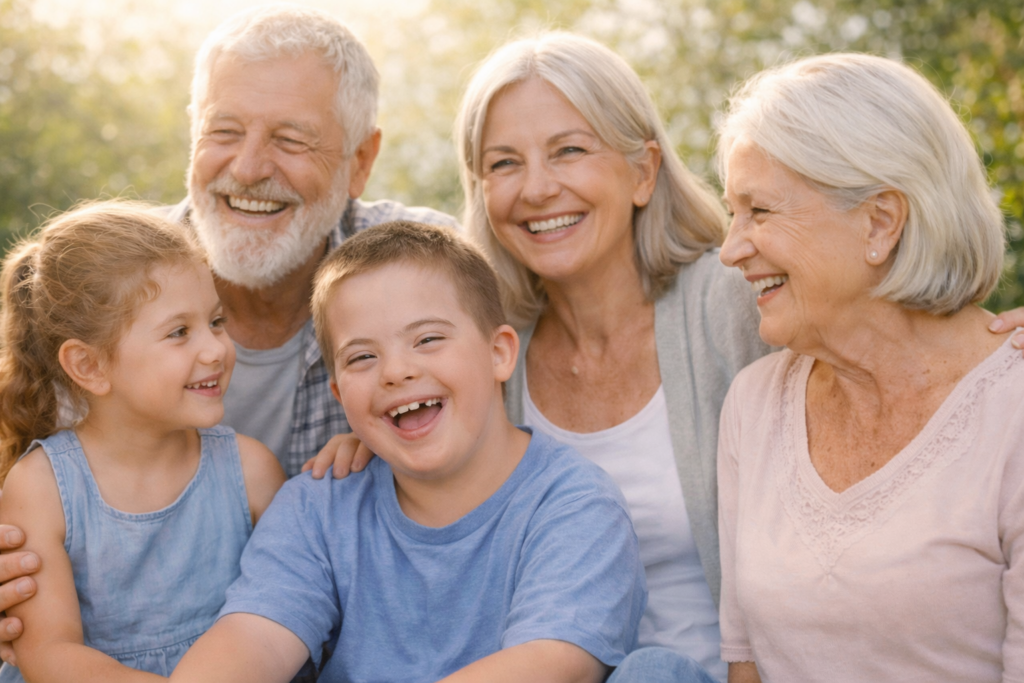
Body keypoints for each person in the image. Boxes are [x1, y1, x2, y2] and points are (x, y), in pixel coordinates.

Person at [0, 3, 456, 648]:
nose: (247, 168)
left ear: (360, 160)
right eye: (224, 130)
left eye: (290, 139)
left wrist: (393, 449)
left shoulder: (423, 271)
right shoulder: (106, 286)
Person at [88, 220, 646, 682]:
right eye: (361, 358)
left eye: (428, 339)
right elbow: (252, 639)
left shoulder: (574, 504)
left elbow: (550, 664)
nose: (398, 371)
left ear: (500, 353)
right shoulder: (319, 505)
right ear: (338, 396)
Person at [450, 33, 767, 681]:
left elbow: (877, 340)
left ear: (643, 172)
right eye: (504, 163)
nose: (537, 189)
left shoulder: (731, 301)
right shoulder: (490, 354)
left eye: (569, 150)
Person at [715, 53, 1023, 682]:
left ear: (880, 222)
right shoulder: (754, 402)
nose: (730, 249)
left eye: (761, 212)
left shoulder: (1012, 410)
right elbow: (744, 660)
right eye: (732, 213)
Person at [0, 201, 286, 682]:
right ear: (89, 366)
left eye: (215, 322)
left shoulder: (251, 470)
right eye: (179, 332)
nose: (215, 349)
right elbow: (51, 655)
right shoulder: (42, 487)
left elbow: (294, 605)